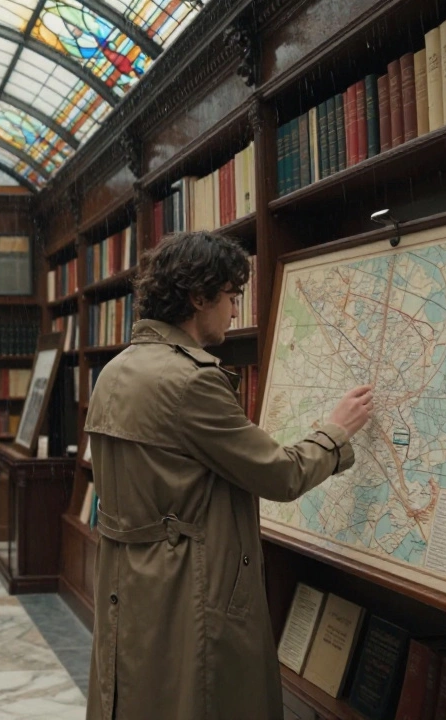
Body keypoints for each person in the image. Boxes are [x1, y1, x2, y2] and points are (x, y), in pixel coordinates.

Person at [84, 231, 373, 720]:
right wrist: (335, 432)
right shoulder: (191, 381)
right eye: (231, 296)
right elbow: (281, 475)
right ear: (199, 297)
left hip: (132, 583)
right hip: (190, 587)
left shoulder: (116, 369)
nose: (235, 311)